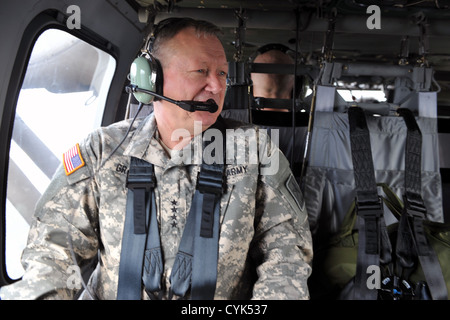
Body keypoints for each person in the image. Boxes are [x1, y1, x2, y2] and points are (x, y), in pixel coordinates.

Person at [0, 17, 312, 300]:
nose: (217, 87)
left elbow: (287, 255)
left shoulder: (256, 150)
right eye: (201, 71)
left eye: (222, 73)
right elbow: (50, 253)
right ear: (151, 80)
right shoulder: (101, 151)